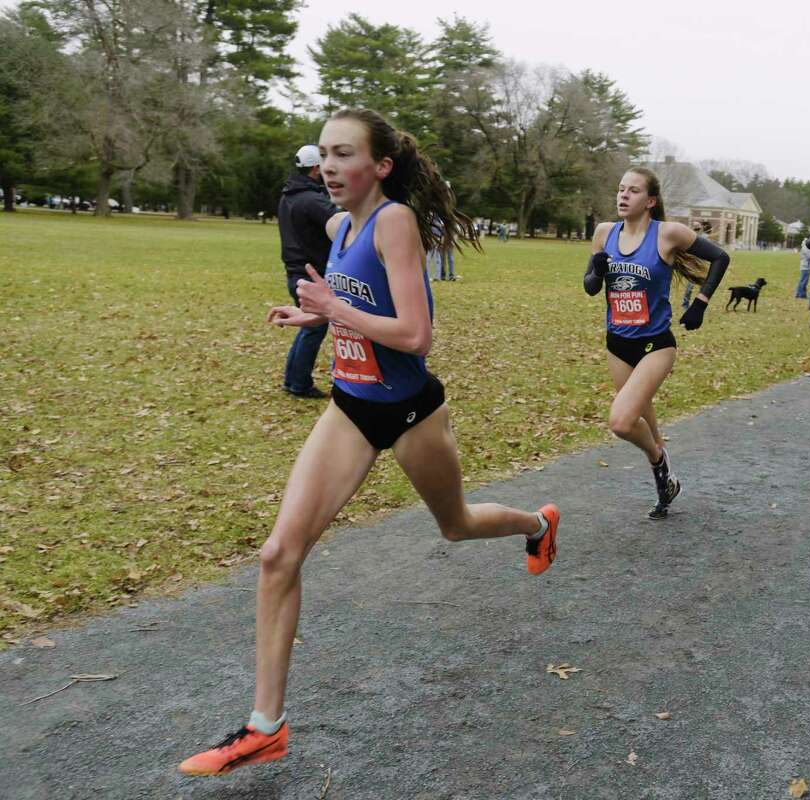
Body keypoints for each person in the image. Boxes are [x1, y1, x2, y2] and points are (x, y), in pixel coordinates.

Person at [177, 108, 561, 777]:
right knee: (278, 554)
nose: (328, 165)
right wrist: (314, 313)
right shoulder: (343, 224)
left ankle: (536, 523)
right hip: (351, 406)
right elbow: (359, 299)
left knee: (457, 524)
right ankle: (266, 725)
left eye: (344, 153)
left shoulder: (394, 222)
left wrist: (332, 310)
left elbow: (414, 335)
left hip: (411, 412)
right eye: (324, 152)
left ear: (380, 166)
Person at [584, 167, 728, 519]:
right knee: (644, 423)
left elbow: (720, 258)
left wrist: (701, 303)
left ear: (650, 201)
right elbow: (590, 287)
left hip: (655, 345)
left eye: (633, 191)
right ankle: (666, 479)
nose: (623, 195)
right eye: (620, 189)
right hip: (617, 344)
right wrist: (597, 271)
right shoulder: (604, 233)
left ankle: (658, 460)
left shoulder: (668, 234)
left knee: (621, 421)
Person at [278, 145, 338, 399]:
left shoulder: (288, 196)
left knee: (309, 328)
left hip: (294, 271)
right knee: (314, 329)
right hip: (312, 273)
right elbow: (343, 225)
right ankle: (299, 384)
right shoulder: (313, 200)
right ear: (316, 169)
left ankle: (293, 380)